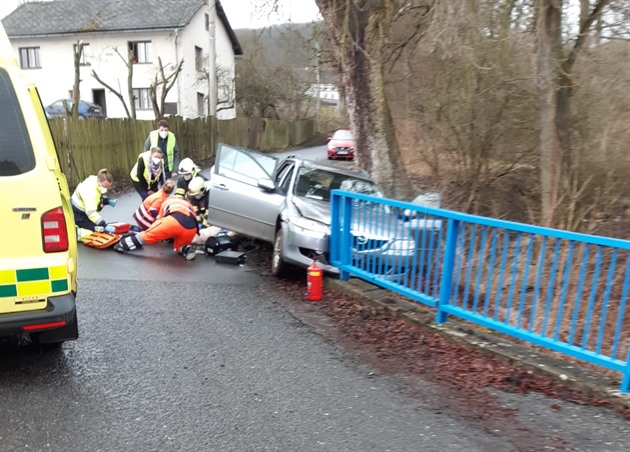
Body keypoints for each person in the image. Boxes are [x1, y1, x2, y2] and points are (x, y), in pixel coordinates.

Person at [114, 191, 199, 260]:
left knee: (148, 234)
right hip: (192, 228)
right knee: (179, 247)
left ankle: (123, 244)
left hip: (174, 221)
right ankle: (186, 249)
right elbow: (194, 217)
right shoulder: (188, 205)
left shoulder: (166, 202)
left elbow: (160, 221)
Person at [70, 168, 117, 238]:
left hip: (82, 210)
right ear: (99, 181)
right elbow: (91, 212)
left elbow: (96, 202)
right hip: (78, 214)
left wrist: (104, 201)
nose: (106, 189)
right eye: (105, 186)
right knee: (94, 232)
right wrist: (104, 225)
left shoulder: (96, 181)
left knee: (98, 228)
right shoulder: (90, 191)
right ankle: (74, 233)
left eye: (108, 187)